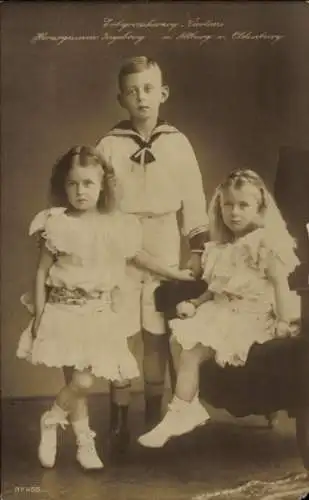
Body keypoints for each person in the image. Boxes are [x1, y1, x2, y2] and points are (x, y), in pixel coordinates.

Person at [16, 146, 194, 469]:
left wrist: (174, 272)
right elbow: (42, 272)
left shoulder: (114, 224)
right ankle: (85, 442)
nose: (80, 191)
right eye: (73, 184)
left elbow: (138, 256)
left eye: (88, 184)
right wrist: (40, 316)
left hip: (97, 314)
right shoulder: (55, 223)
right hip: (62, 311)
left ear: (102, 187)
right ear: (63, 186)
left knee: (83, 381)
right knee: (77, 380)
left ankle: (52, 419)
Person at [138, 168, 300, 448]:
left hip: (251, 317)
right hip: (221, 311)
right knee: (180, 339)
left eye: (243, 205)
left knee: (191, 349)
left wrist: (285, 320)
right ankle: (188, 407)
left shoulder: (266, 243)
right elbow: (216, 289)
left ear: (260, 207)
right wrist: (195, 302)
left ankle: (179, 412)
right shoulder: (219, 248)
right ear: (219, 206)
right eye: (228, 205)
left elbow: (280, 285)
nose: (234, 212)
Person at [96, 56, 209, 448]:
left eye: (148, 89)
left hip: (163, 238)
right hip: (122, 242)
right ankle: (119, 420)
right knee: (120, 331)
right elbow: (99, 202)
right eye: (132, 91)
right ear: (120, 98)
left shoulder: (177, 143)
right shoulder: (109, 144)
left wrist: (196, 248)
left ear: (162, 93)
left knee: (156, 332)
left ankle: (153, 416)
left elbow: (193, 199)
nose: (141, 98)